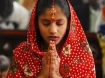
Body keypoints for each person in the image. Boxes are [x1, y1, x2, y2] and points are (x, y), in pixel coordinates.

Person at [6, 0, 96, 78]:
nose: (53, 30)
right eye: (45, 23)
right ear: (36, 23)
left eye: (59, 23)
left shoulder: (82, 55)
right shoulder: (22, 54)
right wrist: (42, 75)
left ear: (69, 23)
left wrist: (56, 75)